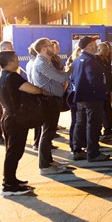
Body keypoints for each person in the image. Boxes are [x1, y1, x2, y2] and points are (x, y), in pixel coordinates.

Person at [0, 50, 43, 195]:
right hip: (16, 119)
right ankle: (9, 185)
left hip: (7, 117)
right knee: (14, 152)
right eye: (16, 60)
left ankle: (11, 179)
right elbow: (34, 90)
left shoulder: (0, 77)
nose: (18, 62)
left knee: (12, 151)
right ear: (10, 62)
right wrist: (40, 90)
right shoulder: (13, 77)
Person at [31, 38, 71, 174]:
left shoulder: (46, 61)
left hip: (51, 100)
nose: (53, 47)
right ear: (43, 48)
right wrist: (71, 69)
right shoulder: (42, 63)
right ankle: (44, 166)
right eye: (49, 45)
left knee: (49, 132)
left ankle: (49, 161)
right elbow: (60, 78)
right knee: (47, 133)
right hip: (48, 101)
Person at [71, 36, 111, 162]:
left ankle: (77, 150)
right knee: (93, 125)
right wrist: (102, 90)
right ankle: (93, 152)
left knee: (80, 122)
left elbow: (72, 78)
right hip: (92, 97)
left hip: (80, 97)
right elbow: (93, 79)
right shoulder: (90, 61)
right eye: (94, 43)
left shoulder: (77, 60)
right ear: (88, 46)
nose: (96, 45)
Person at [97, 42, 112, 137]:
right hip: (101, 89)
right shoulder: (97, 60)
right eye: (105, 49)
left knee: (108, 108)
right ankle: (100, 130)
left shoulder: (106, 59)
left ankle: (108, 128)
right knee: (101, 110)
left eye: (108, 49)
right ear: (99, 50)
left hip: (108, 88)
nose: (107, 51)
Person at [0, 41, 14, 145]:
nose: (12, 49)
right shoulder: (0, 62)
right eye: (11, 47)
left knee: (2, 113)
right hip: (3, 91)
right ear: (5, 48)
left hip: (3, 91)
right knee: (2, 113)